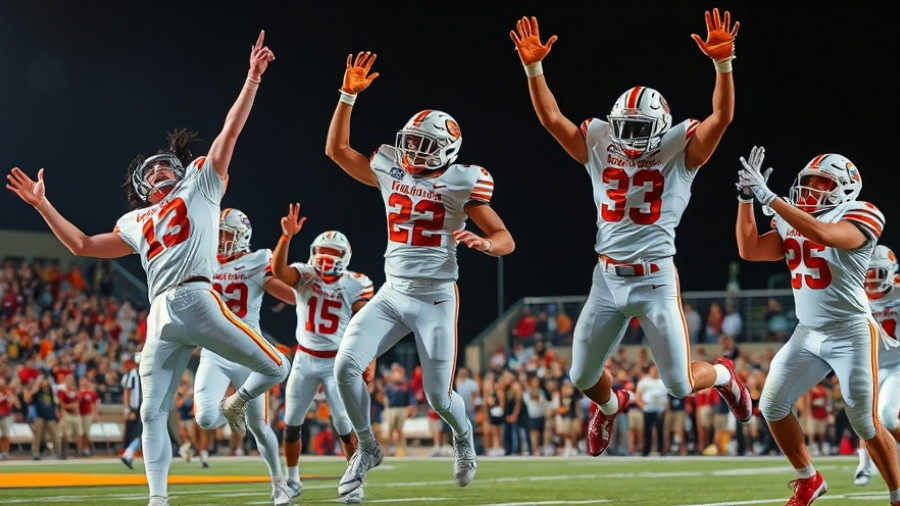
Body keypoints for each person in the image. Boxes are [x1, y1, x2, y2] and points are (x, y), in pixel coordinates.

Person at [5, 30, 290, 506]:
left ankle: (239, 404)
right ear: (142, 187)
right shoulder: (136, 220)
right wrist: (43, 206)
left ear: (177, 171)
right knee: (152, 416)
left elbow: (230, 131)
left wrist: (251, 80)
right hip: (160, 314)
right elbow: (80, 244)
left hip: (198, 297)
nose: (160, 173)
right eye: (152, 173)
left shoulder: (201, 184)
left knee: (277, 366)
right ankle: (158, 501)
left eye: (164, 168)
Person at [509, 9, 751, 459]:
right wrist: (533, 68)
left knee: (678, 385)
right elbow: (551, 119)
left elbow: (722, 117)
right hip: (606, 278)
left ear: (661, 128)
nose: (629, 138)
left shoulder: (681, 150)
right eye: (623, 128)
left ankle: (722, 374)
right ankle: (611, 403)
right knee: (581, 376)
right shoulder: (601, 141)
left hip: (656, 278)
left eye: (640, 130)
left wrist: (723, 64)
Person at [325, 51, 515, 497]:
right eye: (411, 141)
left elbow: (506, 236)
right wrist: (347, 95)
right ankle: (367, 448)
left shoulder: (463, 183)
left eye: (426, 145)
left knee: (438, 398)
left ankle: (464, 439)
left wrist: (486, 244)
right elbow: (336, 150)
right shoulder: (391, 167)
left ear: (448, 151)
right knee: (345, 368)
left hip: (434, 300)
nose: (414, 150)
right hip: (392, 293)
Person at [734, 146, 900, 506]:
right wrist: (746, 199)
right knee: (773, 405)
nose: (812, 189)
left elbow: (825, 235)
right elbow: (750, 249)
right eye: (808, 181)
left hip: (851, 331)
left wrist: (771, 198)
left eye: (823, 182)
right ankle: (809, 478)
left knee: (865, 423)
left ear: (845, 188)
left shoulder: (862, 214)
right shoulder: (790, 217)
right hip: (808, 333)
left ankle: (898, 494)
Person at [269, 204, 375, 505]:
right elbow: (279, 271)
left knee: (344, 426)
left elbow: (368, 326)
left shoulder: (356, 283)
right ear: (313, 252)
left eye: (334, 252)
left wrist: (371, 357)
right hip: (304, 359)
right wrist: (286, 238)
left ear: (346, 257)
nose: (326, 257)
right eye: (322, 251)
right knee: (291, 423)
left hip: (335, 363)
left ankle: (354, 483)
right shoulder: (304, 274)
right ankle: (291, 481)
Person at [192, 207, 296, 505]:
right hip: (214, 352)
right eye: (219, 232)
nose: (221, 239)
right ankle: (231, 406)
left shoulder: (256, 260)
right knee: (206, 419)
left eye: (227, 234)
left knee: (260, 428)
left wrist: (306, 296)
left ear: (242, 237)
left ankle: (279, 484)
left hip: (250, 352)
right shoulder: (203, 261)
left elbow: (288, 294)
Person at [855, 245, 900, 487]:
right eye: (868, 272)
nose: (871, 278)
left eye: (877, 273)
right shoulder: (856, 293)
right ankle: (864, 464)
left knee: (886, 417)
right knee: (864, 416)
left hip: (897, 366)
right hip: (869, 365)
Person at [121, 352, 143, 470]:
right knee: (140, 433)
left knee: (141, 433)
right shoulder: (133, 374)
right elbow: (127, 392)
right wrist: (128, 409)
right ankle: (128, 453)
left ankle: (129, 454)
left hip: (141, 407)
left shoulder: (142, 373)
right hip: (136, 408)